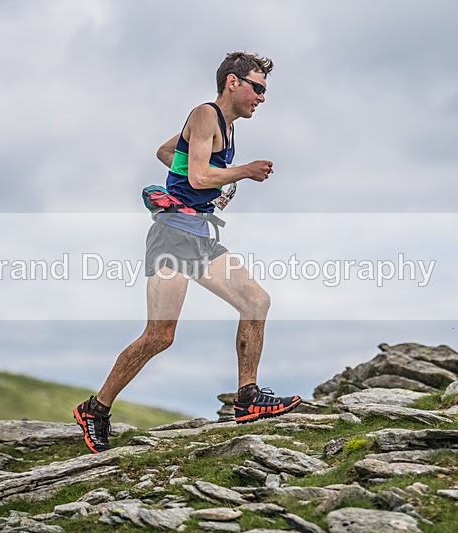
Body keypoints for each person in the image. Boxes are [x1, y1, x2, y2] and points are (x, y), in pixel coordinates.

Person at [74, 51, 301, 454]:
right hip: (173, 237)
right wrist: (242, 172)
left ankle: (247, 398)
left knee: (256, 301)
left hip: (200, 235)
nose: (262, 97)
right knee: (159, 336)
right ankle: (95, 409)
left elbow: (168, 152)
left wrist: (215, 183)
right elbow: (197, 175)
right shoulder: (204, 114)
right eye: (257, 88)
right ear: (233, 82)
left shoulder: (226, 127)